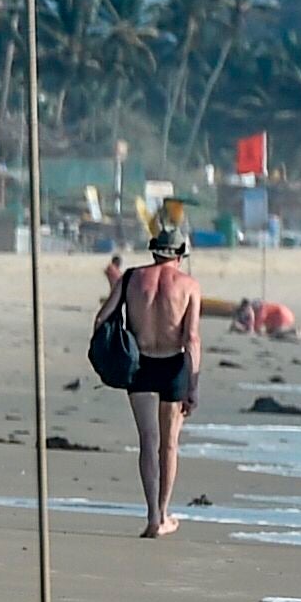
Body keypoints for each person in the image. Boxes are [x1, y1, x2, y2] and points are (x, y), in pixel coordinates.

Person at [102, 228, 201, 539]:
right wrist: (193, 385)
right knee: (169, 444)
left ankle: (152, 515)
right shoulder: (189, 285)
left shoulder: (130, 278)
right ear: (180, 255)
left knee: (148, 440)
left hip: (140, 363)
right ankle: (164, 512)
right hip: (173, 365)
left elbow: (102, 318)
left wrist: (112, 355)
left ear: (155, 251)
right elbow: (192, 337)